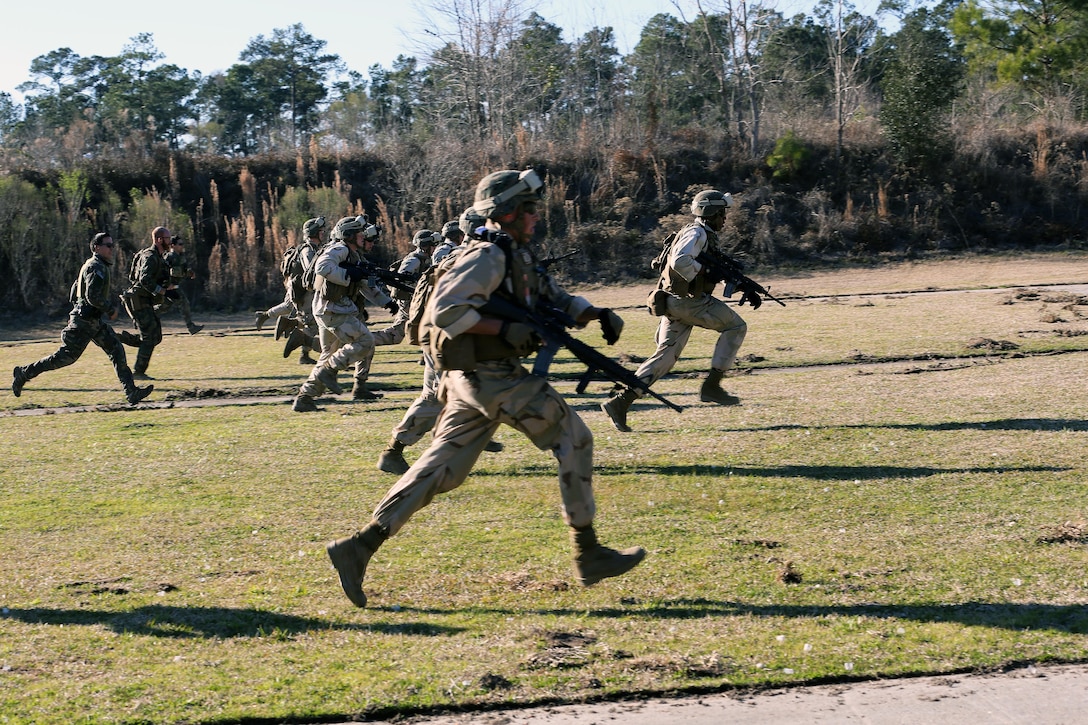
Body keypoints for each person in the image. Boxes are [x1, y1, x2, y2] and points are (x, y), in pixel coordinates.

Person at [327, 169, 644, 607]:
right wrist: (508, 330)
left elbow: (555, 297)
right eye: (530, 210)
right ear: (508, 212)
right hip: (494, 376)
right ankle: (588, 552)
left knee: (441, 470)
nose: (536, 218)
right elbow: (448, 314)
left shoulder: (516, 254)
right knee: (575, 437)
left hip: (471, 381)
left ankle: (359, 546)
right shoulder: (486, 256)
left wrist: (596, 313)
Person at [600, 189, 751, 432]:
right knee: (736, 326)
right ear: (711, 212)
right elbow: (681, 261)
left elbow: (704, 268)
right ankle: (712, 385)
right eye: (722, 213)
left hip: (674, 302)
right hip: (688, 302)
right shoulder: (697, 232)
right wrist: (705, 272)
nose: (725, 218)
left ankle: (621, 402)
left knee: (665, 356)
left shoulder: (700, 232)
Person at [376, 212, 504, 475]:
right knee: (436, 397)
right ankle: (393, 451)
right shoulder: (462, 261)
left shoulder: (472, 257)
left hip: (453, 339)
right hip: (443, 340)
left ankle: (469, 437)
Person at [11, 233, 153, 405]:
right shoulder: (96, 267)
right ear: (96, 247)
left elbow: (75, 291)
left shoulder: (93, 265)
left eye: (112, 245)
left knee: (116, 350)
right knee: (64, 358)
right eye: (107, 245)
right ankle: (24, 373)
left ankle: (131, 392)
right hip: (84, 323)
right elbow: (92, 295)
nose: (111, 248)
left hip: (93, 322)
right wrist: (109, 309)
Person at [291, 216, 397, 412]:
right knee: (366, 341)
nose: (363, 236)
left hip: (327, 309)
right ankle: (330, 371)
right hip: (334, 309)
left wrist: (388, 303)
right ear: (349, 235)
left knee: (328, 354)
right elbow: (321, 267)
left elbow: (366, 286)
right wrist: (348, 276)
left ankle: (305, 397)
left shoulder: (352, 254)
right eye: (359, 234)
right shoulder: (340, 249)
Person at [259, 216, 325, 365]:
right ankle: (304, 353)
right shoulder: (308, 250)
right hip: (305, 293)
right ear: (314, 232)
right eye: (321, 231)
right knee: (311, 323)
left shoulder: (313, 248)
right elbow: (312, 270)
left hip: (305, 291)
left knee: (307, 321)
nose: (323, 233)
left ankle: (289, 325)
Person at [119, 226, 174, 379]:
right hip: (138, 300)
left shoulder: (159, 257)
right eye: (168, 238)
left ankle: (120, 338)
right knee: (149, 337)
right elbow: (144, 279)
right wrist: (161, 291)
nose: (170, 241)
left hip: (144, 300)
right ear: (159, 240)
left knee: (155, 337)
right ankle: (138, 372)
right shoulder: (150, 256)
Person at [155, 235, 203, 335]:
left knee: (164, 307)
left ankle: (145, 317)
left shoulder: (181, 257)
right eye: (180, 244)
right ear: (173, 246)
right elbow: (165, 272)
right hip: (170, 287)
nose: (182, 246)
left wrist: (190, 273)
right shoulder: (169, 257)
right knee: (184, 303)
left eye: (182, 244)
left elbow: (184, 269)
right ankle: (191, 327)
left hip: (174, 286)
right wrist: (165, 285)